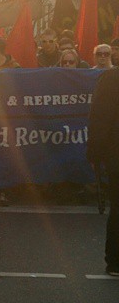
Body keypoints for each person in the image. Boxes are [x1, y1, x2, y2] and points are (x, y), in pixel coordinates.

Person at [87, 66, 119, 276]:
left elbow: (99, 116)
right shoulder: (112, 78)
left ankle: (115, 261)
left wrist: (95, 154)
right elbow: (100, 117)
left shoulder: (111, 77)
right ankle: (115, 260)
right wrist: (95, 153)